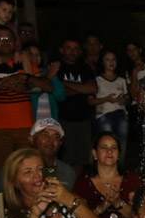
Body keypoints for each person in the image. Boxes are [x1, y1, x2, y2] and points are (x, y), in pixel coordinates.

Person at [0, 26, 53, 180]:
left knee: (30, 168)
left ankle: (30, 202)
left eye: (8, 39)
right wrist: (3, 83)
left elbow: (48, 86)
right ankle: (0, 203)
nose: (4, 42)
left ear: (15, 42)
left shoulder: (25, 64)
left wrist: (25, 78)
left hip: (26, 127)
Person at [0, 118, 76, 192]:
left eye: (56, 137)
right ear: (31, 139)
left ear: (60, 143)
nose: (50, 140)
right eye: (44, 135)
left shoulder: (67, 172)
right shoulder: (13, 167)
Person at [55, 38, 98, 175]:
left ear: (80, 51)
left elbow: (92, 88)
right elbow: (56, 91)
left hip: (83, 119)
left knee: (81, 157)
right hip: (62, 119)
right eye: (68, 47)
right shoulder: (56, 67)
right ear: (62, 50)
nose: (72, 51)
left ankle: (77, 187)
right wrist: (81, 89)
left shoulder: (84, 68)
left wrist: (64, 84)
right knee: (64, 157)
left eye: (75, 48)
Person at [92, 50, 131, 159]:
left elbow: (128, 98)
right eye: (107, 59)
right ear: (103, 62)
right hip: (104, 116)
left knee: (121, 145)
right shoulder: (97, 80)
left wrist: (124, 100)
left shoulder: (121, 80)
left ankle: (119, 170)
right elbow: (90, 101)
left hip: (121, 115)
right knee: (105, 145)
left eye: (113, 59)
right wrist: (106, 99)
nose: (111, 62)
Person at [22, 42, 65, 122]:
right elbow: (31, 96)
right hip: (30, 122)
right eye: (31, 54)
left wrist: (50, 77)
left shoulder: (47, 72)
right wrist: (47, 78)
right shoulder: (21, 74)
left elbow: (61, 96)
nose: (34, 57)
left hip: (50, 122)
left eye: (37, 54)